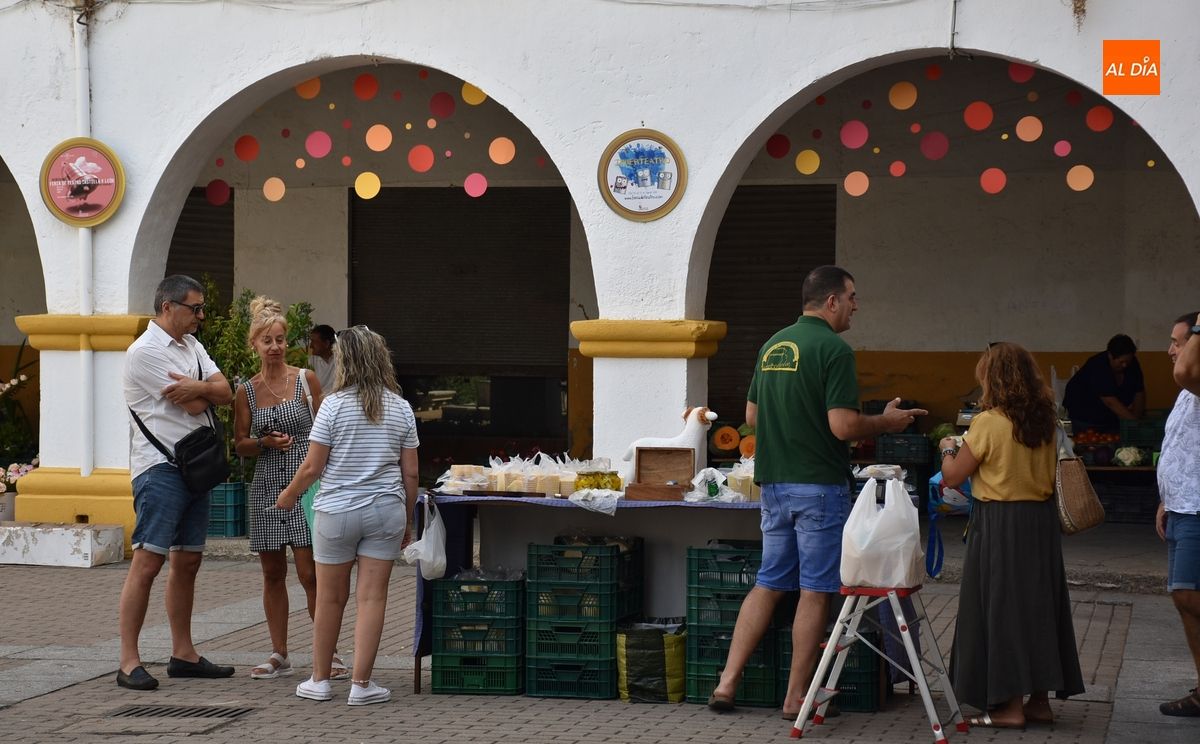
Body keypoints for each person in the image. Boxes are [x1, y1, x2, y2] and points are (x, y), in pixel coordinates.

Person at [709, 266, 925, 717]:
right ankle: (796, 698)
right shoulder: (834, 349)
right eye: (852, 297)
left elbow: (752, 416)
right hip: (819, 488)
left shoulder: (773, 345)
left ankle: (726, 684)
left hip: (773, 485)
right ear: (831, 301)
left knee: (769, 583)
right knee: (814, 590)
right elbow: (842, 426)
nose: (855, 306)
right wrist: (886, 422)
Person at [938, 342, 1084, 728]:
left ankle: (1009, 707)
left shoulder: (988, 422)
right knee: (1040, 607)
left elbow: (953, 476)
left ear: (992, 379)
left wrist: (948, 448)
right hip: (1041, 522)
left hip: (1000, 523)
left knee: (1003, 608)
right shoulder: (1048, 420)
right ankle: (1039, 702)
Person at [276, 326, 420, 706]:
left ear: (344, 361)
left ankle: (320, 681)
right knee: (371, 598)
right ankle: (361, 685)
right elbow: (411, 474)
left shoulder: (332, 406)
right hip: (385, 510)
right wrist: (407, 519)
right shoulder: (400, 408)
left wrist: (289, 495)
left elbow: (313, 467)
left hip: (336, 512)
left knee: (329, 599)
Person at [118, 275, 236, 690]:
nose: (201, 316)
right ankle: (128, 661)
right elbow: (196, 405)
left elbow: (224, 392)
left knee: (188, 562)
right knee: (148, 562)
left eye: (202, 308)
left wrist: (200, 388)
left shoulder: (191, 346)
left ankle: (183, 655)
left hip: (194, 468)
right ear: (167, 307)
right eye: (195, 308)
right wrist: (205, 391)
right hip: (160, 469)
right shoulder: (144, 352)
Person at [233, 298, 349, 681]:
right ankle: (279, 653)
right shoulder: (247, 391)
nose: (275, 347)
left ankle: (329, 652)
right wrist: (264, 442)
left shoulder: (305, 379)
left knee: (309, 572)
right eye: (267, 340)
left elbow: (324, 429)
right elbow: (240, 444)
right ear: (254, 344)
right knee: (272, 573)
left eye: (280, 340)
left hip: (304, 484)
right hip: (267, 484)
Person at [1155, 311, 1200, 716]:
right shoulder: (1187, 392)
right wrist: (1166, 496)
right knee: (1183, 599)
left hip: (1198, 508)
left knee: (1191, 594)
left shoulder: (1194, 378)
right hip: (1181, 505)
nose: (1171, 350)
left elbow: (1185, 369)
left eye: (1178, 341)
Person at [1063, 334, 1146, 434]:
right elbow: (1110, 402)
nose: (1124, 365)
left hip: (1112, 417)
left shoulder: (1133, 364)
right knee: (1090, 440)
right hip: (1085, 415)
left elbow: (1139, 392)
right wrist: (1134, 423)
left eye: (1128, 361)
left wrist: (1136, 418)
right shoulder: (1098, 365)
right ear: (1110, 355)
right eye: (1121, 362)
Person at [309, 325, 337, 392]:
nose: (311, 346)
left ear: (326, 343)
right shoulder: (311, 360)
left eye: (314, 342)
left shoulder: (341, 359)